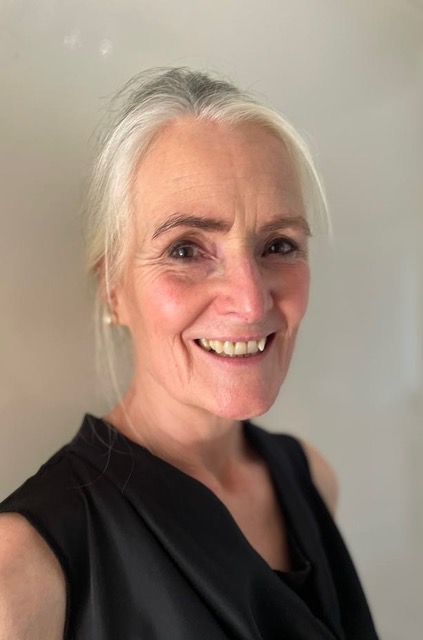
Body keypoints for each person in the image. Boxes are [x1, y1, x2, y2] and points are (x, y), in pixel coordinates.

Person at [0, 68, 379, 639]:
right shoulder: (23, 569)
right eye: (185, 250)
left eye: (279, 245)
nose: (250, 302)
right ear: (114, 290)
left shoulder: (311, 479)